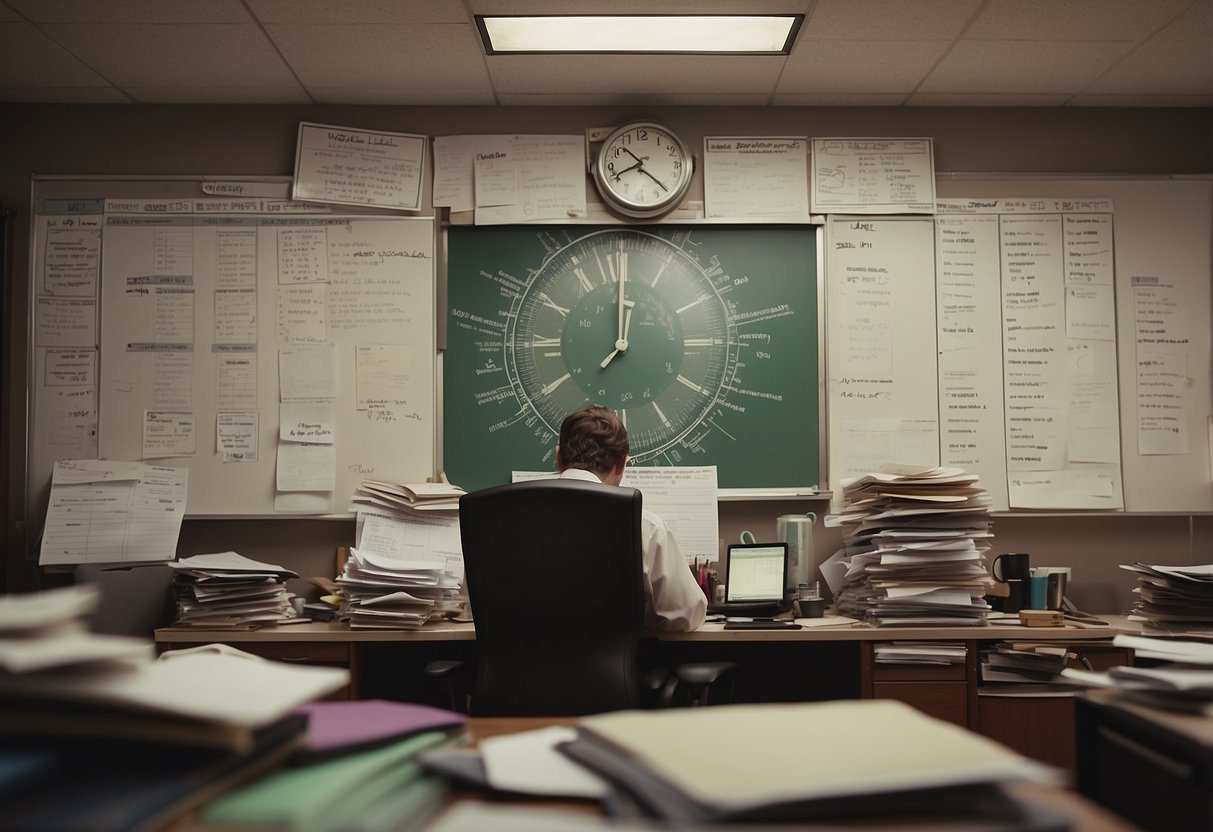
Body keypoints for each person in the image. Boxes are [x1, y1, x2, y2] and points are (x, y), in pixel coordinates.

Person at [555, 405, 707, 632]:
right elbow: (685, 614)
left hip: (517, 666)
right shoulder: (644, 527)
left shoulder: (510, 519)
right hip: (615, 667)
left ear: (559, 457)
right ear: (621, 464)